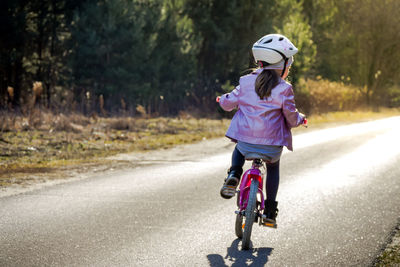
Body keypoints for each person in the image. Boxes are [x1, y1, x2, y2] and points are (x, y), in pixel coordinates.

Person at [217, 33, 306, 227]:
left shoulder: (245, 82)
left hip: (246, 144)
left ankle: (234, 174)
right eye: (288, 64)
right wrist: (301, 119)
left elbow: (227, 103)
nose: (289, 68)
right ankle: (270, 211)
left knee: (239, 148)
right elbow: (291, 118)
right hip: (272, 147)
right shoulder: (284, 89)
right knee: (273, 167)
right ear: (280, 64)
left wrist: (221, 99)